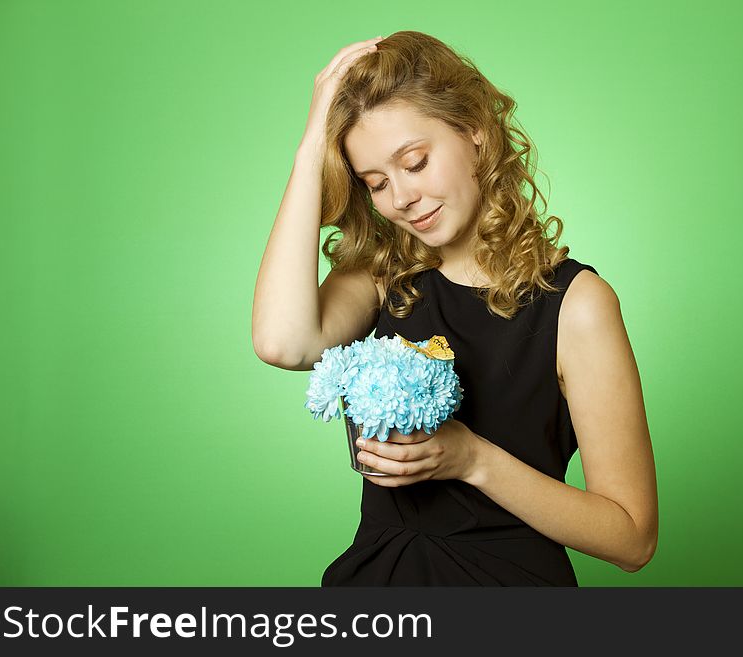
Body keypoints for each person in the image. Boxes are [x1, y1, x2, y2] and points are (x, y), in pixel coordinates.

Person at [252, 31, 658, 585]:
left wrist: (472, 460)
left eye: (415, 163)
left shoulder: (577, 305)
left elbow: (632, 538)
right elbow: (282, 341)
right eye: (375, 182)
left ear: (476, 134)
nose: (400, 198)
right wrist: (310, 148)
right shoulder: (383, 276)